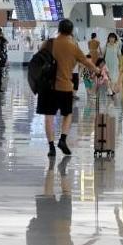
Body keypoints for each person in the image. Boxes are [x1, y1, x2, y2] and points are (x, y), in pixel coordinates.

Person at [37, 19, 96, 157]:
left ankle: (51, 147)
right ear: (71, 31)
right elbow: (86, 62)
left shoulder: (48, 43)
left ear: (59, 29)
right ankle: (62, 139)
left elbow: (38, 60)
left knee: (49, 117)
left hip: (47, 87)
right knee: (67, 114)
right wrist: (97, 70)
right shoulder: (73, 47)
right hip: (64, 86)